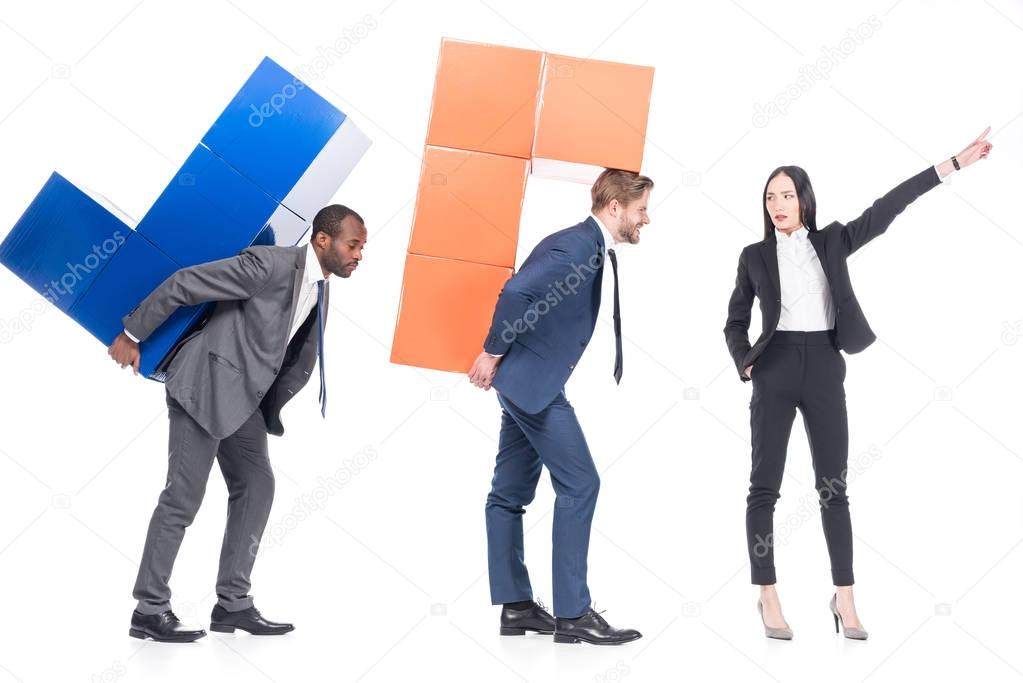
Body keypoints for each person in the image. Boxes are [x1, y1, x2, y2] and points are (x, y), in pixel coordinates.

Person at [723, 128, 993, 640]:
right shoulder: (753, 255)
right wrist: (746, 361)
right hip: (775, 368)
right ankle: (767, 593)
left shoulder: (832, 240)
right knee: (764, 489)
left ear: (804, 199)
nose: (777, 203)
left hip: (825, 364)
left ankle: (844, 598)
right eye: (769, 196)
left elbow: (889, 206)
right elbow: (734, 320)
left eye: (786, 194)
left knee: (833, 488)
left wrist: (951, 165)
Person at [107, 205, 366, 641]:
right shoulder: (269, 264)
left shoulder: (320, 285)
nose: (359, 255)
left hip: (243, 398)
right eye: (353, 244)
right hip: (204, 386)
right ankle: (149, 610)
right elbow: (187, 282)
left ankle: (233, 605)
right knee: (182, 499)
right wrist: (132, 335)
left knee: (257, 485)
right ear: (323, 240)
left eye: (362, 247)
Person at [468, 168, 652, 645]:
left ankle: (515, 607)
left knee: (507, 493)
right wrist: (492, 351)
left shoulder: (586, 246)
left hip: (529, 382)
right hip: (534, 386)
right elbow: (515, 292)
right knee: (582, 483)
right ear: (616, 208)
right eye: (641, 209)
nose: (645, 219)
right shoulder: (576, 246)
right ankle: (573, 613)